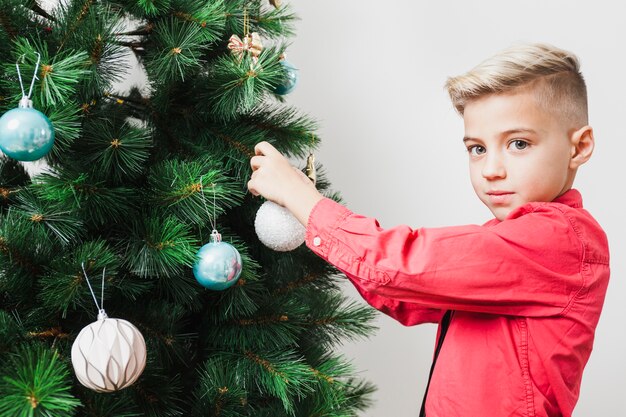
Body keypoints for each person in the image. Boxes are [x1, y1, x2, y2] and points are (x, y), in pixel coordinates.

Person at [247, 42, 610, 417]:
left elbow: (403, 265)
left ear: (579, 147)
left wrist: (301, 197)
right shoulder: (508, 240)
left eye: (518, 144)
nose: (491, 170)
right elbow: (404, 293)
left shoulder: (558, 240)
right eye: (477, 149)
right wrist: (312, 221)